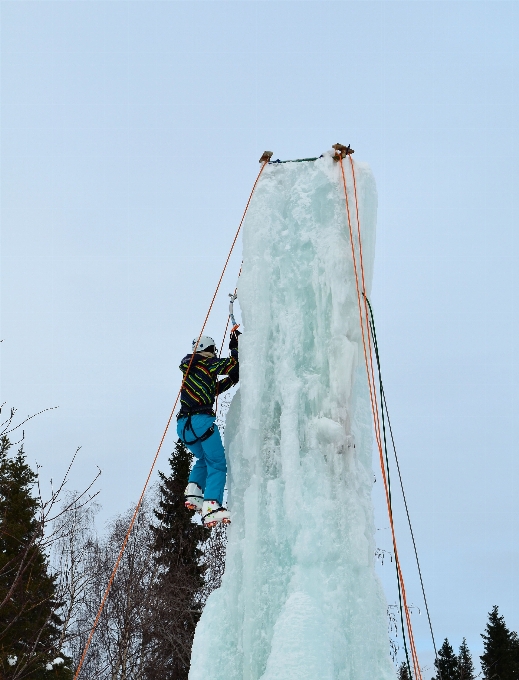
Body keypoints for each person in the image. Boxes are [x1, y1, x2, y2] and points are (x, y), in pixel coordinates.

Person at [177, 330, 240, 527]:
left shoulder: (192, 370)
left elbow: (217, 388)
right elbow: (232, 364)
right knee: (218, 463)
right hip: (201, 422)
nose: (214, 353)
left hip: (183, 427)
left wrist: (233, 377)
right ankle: (212, 506)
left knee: (203, 458)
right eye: (213, 350)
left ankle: (193, 493)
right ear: (207, 349)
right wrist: (235, 346)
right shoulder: (206, 362)